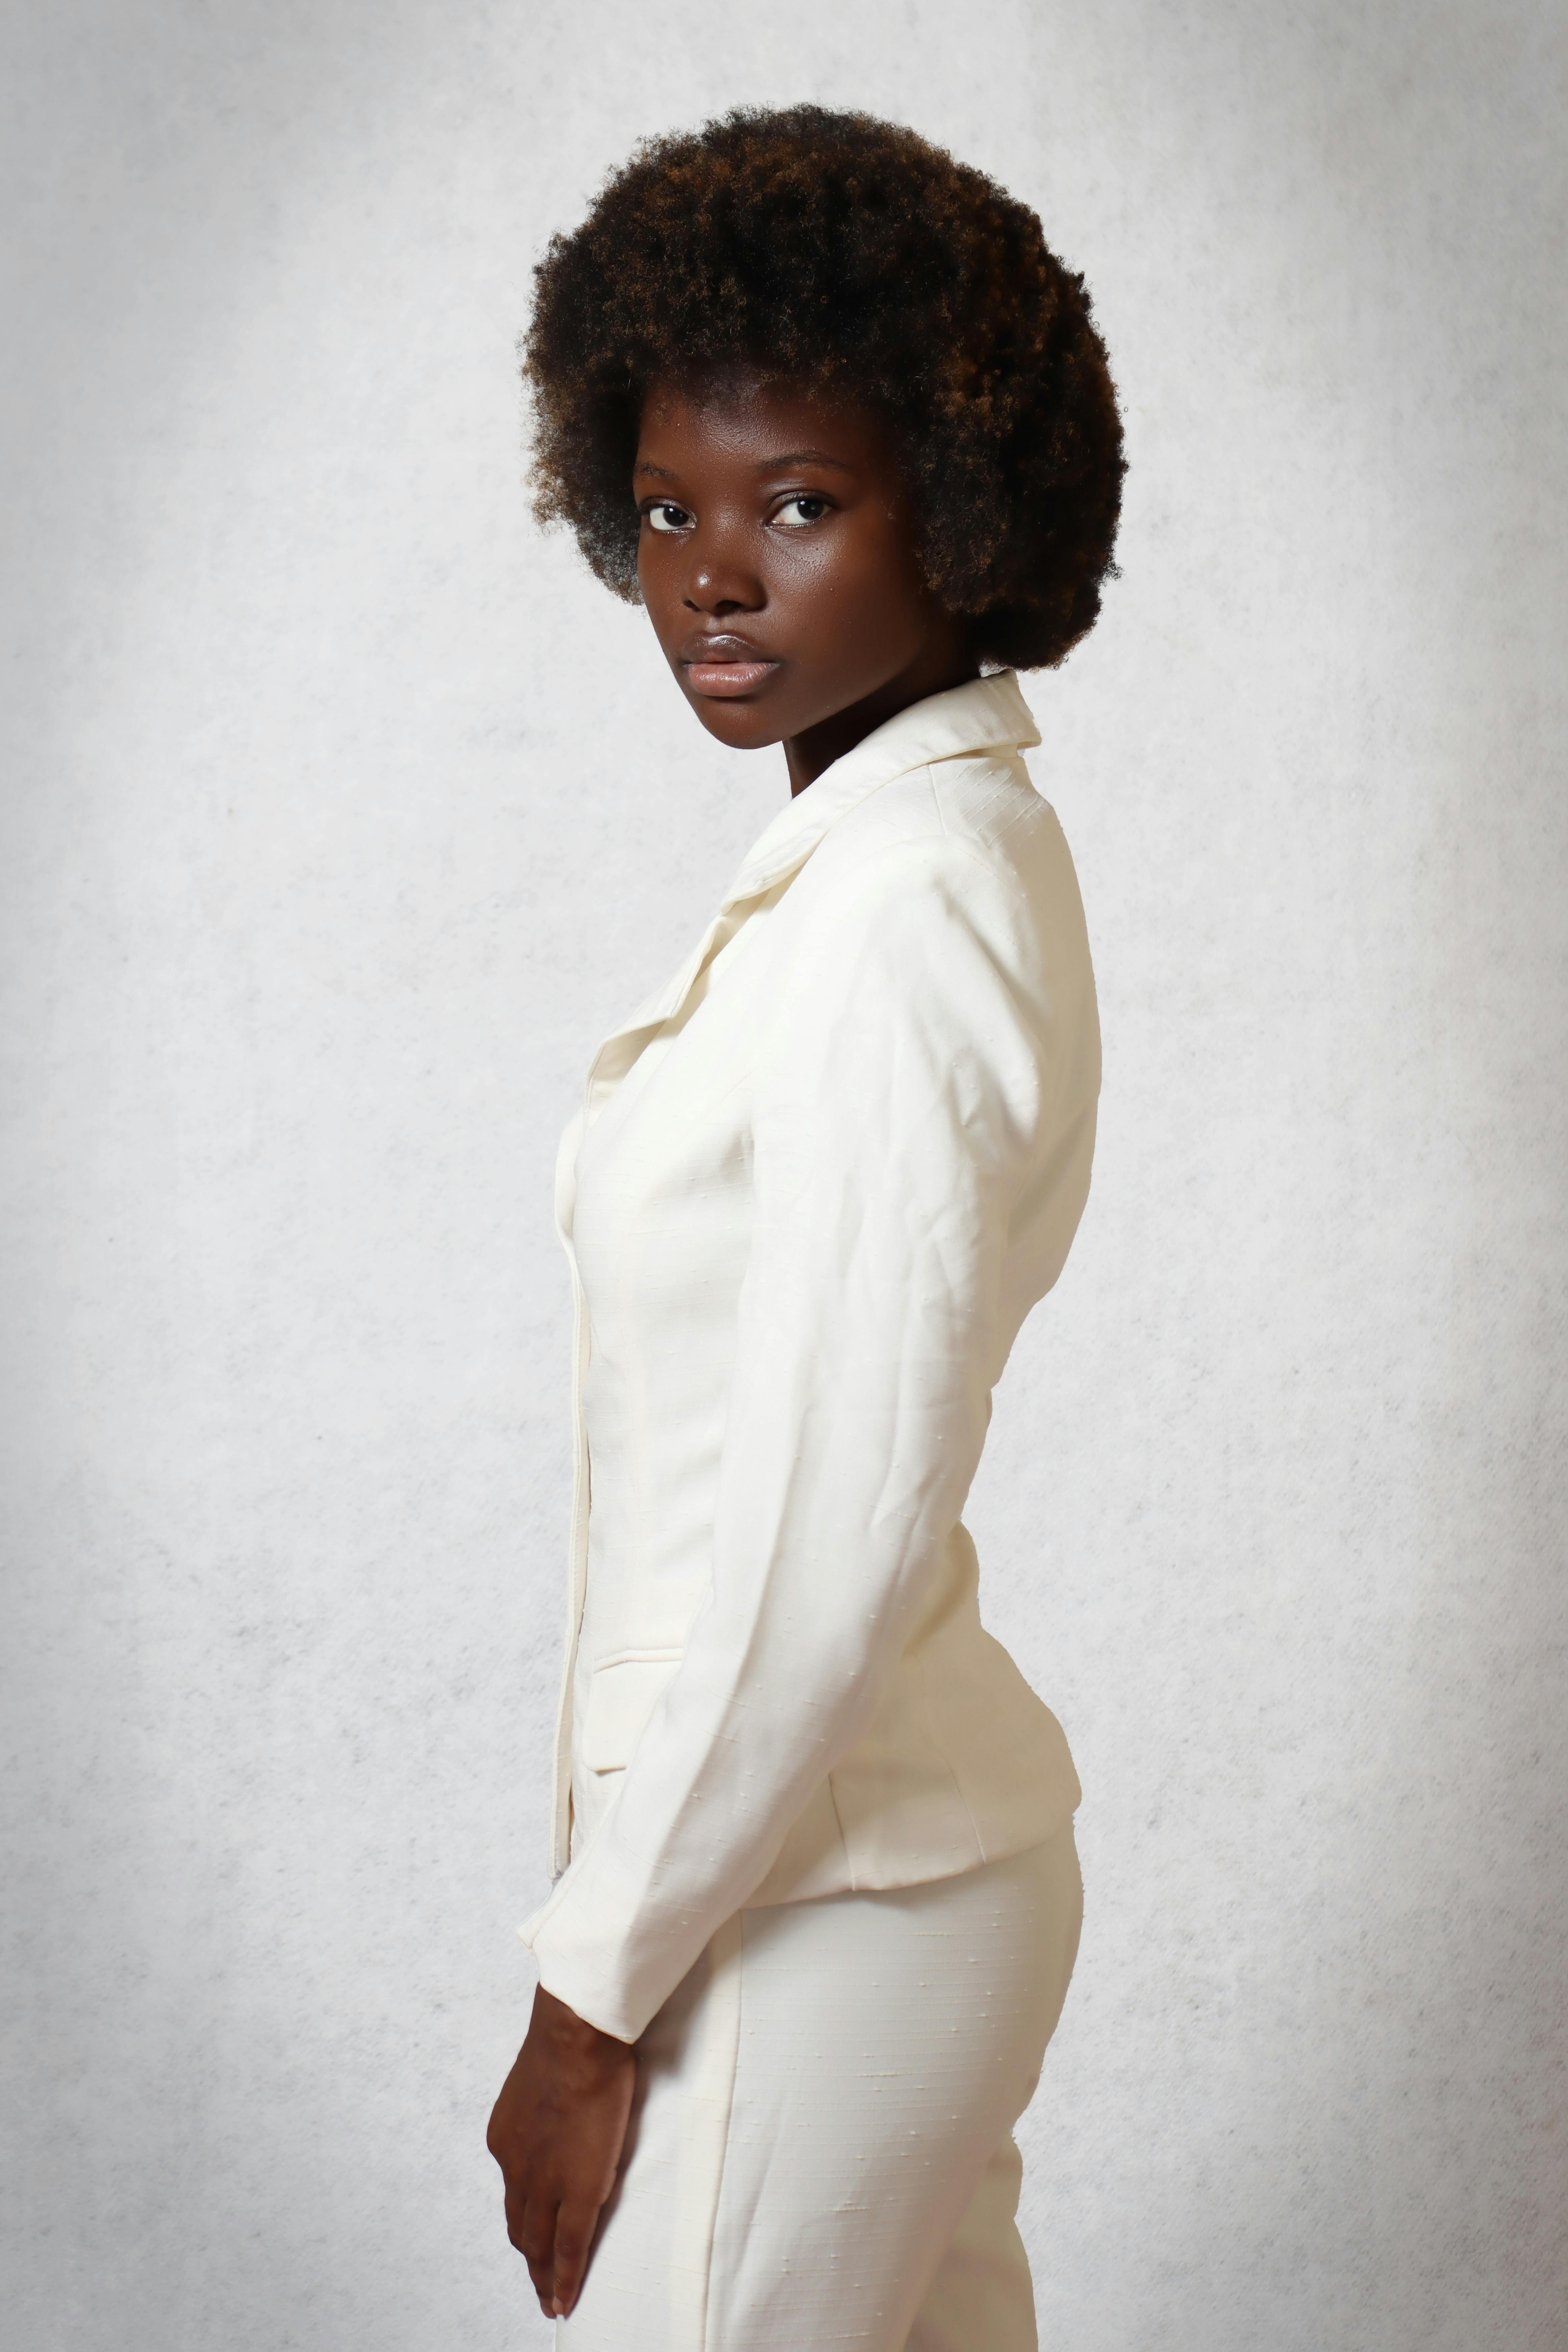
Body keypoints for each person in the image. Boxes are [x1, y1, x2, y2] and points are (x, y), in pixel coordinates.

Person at [487, 104, 1124, 2352]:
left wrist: (589, 2001)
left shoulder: (909, 913)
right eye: (667, 507)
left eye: (800, 506)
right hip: (829, 1870)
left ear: (961, 512)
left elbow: (834, 1524)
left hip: (825, 1904)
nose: (711, 576)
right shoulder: (884, 869)